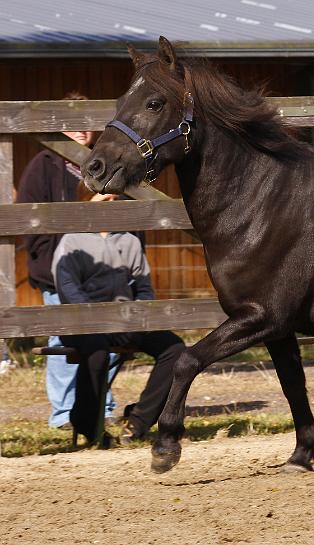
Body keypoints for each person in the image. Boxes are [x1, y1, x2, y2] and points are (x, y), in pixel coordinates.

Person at [15, 91, 119, 429]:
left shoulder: (104, 164)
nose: (79, 132)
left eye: (86, 125)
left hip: (103, 273)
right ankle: (63, 414)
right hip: (57, 272)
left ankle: (98, 406)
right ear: (60, 127)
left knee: (115, 339)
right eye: (72, 125)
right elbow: (29, 223)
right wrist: (51, 265)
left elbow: (131, 218)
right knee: (62, 340)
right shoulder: (43, 165)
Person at [52, 225, 186, 444]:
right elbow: (67, 288)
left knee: (175, 350)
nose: (108, 196)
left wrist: (132, 321)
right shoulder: (72, 239)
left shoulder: (130, 241)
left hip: (126, 320)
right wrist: (101, 322)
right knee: (97, 352)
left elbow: (144, 288)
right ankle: (88, 427)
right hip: (82, 321)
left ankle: (139, 422)